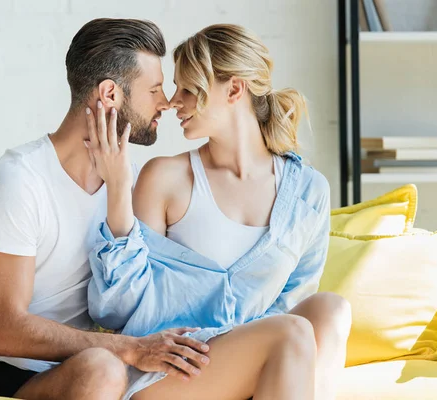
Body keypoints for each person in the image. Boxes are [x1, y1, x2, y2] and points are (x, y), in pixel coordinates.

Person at [0, 18, 211, 400]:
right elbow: (5, 329)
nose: (165, 102)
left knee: (104, 368)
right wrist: (132, 347)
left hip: (61, 372)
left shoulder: (133, 186)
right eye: (154, 89)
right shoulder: (18, 178)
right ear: (110, 94)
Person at [86, 24, 352, 400]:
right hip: (173, 369)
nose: (174, 101)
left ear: (235, 89)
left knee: (329, 308)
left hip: (257, 359)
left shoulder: (308, 192)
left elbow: (292, 303)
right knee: (290, 332)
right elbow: (119, 310)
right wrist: (118, 190)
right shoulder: (165, 178)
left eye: (189, 90)